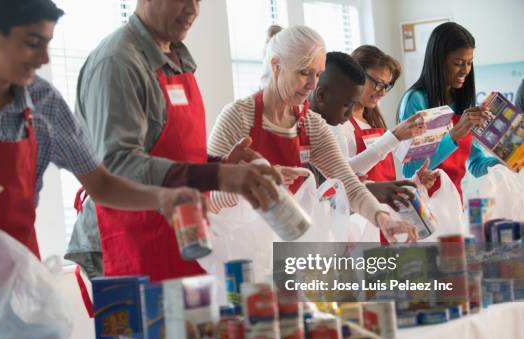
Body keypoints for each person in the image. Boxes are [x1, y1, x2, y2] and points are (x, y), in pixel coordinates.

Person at [0, 0, 204, 339]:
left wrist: (161, 197)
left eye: (49, 43)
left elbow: (100, 183)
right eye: (33, 43)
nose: (43, 57)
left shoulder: (45, 105)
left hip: (23, 306)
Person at [66, 0, 281, 282]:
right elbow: (115, 166)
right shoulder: (118, 63)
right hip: (129, 239)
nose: (193, 9)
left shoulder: (176, 60)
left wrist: (220, 163)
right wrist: (218, 175)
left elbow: (168, 150)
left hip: (181, 235)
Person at [207, 26, 416, 242]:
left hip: (290, 243)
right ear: (276, 66)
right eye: (304, 73)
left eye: (317, 74)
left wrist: (383, 219)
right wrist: (253, 182)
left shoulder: (311, 124)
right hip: (241, 247)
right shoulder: (238, 117)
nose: (312, 84)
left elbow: (348, 183)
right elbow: (206, 197)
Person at [309, 50, 433, 211]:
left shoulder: (373, 122)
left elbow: (383, 178)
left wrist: (412, 182)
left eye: (386, 86)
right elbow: (340, 175)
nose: (382, 92)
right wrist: (393, 137)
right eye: (378, 83)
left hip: (381, 216)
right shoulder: (335, 122)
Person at [398, 22, 500, 199]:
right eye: (459, 63)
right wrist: (455, 134)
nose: (465, 71)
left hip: (454, 206)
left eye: (469, 63)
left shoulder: (462, 102)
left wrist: (507, 161)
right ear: (439, 60)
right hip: (424, 208)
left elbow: (476, 164)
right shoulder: (416, 101)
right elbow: (410, 170)